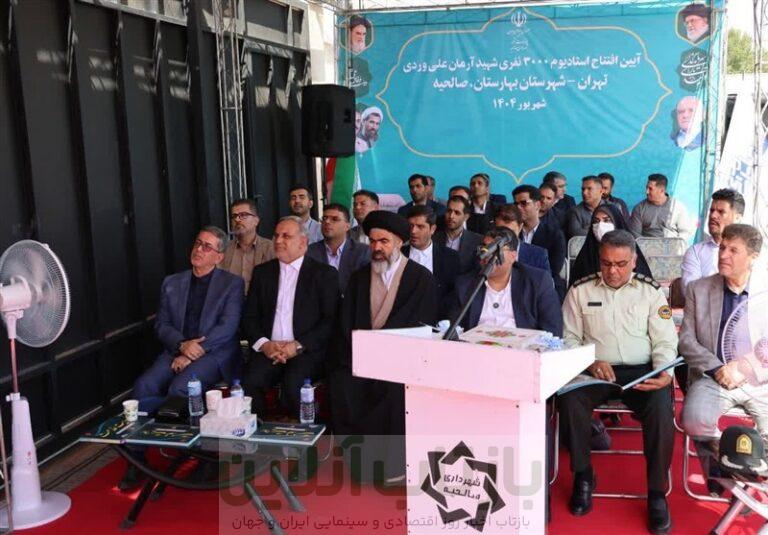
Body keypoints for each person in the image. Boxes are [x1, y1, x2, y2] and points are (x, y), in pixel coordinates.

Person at [559, 230, 677, 533]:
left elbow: (665, 341)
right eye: (606, 263)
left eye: (621, 264)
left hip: (642, 371)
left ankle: (657, 492)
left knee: (662, 407)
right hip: (594, 370)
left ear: (634, 261)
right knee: (569, 400)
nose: (612, 271)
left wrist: (663, 372)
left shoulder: (650, 292)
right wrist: (589, 361)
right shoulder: (580, 290)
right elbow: (567, 339)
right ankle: (583, 475)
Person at [122, 227, 245, 489]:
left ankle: (205, 454)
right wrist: (181, 345)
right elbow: (162, 325)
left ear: (219, 256)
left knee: (182, 388)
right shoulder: (172, 282)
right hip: (176, 350)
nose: (199, 249)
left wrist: (192, 353)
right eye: (198, 243)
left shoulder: (232, 283)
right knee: (143, 386)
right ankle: (137, 459)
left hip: (215, 352)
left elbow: (227, 328)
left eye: (207, 247)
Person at [328, 210, 438, 485]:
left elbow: (423, 326)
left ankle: (394, 466)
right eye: (373, 241)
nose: (377, 247)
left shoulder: (420, 278)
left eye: (384, 241)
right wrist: (359, 356)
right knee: (341, 383)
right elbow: (345, 324)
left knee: (394, 390)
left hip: (401, 362)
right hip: (360, 358)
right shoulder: (359, 278)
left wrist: (387, 354)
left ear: (400, 242)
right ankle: (361, 465)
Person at [679, 224, 767, 495]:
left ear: (753, 256)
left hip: (760, 380)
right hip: (713, 377)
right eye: (722, 248)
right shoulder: (699, 289)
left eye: (733, 250)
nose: (723, 255)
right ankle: (725, 470)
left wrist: (745, 367)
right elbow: (686, 341)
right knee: (694, 419)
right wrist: (719, 369)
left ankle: (750, 473)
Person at [241, 216, 340, 417]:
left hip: (306, 351)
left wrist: (297, 345)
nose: (278, 241)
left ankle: (308, 433)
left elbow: (331, 320)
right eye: (276, 235)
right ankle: (260, 431)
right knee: (250, 381)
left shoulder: (323, 274)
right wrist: (264, 344)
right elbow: (249, 317)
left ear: (303, 242)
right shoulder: (262, 273)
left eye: (286, 236)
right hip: (269, 349)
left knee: (294, 384)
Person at [450, 227, 562, 335]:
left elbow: (552, 331)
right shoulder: (465, 284)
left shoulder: (537, 281)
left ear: (513, 256)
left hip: (521, 347)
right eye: (485, 248)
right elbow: (454, 331)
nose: (488, 255)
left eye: (495, 250)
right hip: (475, 346)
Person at [570, 204, 652, 285]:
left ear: (617, 222)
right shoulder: (585, 257)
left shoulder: (630, 252)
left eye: (606, 220)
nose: (600, 225)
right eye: (596, 221)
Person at [681, 189, 745, 291]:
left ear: (737, 218)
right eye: (711, 211)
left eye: (721, 212)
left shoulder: (750, 253)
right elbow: (690, 291)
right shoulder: (696, 252)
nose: (713, 216)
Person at [402, 205, 460, 317]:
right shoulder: (398, 254)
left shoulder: (450, 257)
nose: (413, 231)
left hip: (436, 318)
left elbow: (452, 294)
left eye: (420, 226)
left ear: (432, 229)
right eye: (410, 226)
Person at [512, 184, 567, 300]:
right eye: (516, 204)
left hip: (543, 286)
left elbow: (553, 269)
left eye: (523, 203)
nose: (518, 208)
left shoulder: (554, 235)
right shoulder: (511, 233)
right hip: (513, 284)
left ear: (537, 205)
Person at [307, 203, 370, 293]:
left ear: (347, 226)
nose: (327, 222)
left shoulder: (362, 252)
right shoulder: (309, 252)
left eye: (334, 219)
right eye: (324, 218)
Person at [219, 198, 275, 293]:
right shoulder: (224, 249)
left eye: (243, 215)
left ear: (256, 221)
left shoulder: (270, 248)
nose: (237, 219)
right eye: (234, 216)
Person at [629, 174, 694, 241]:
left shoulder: (678, 207)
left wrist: (676, 245)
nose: (647, 192)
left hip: (672, 245)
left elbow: (685, 232)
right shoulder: (639, 209)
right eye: (646, 188)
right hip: (646, 246)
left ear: (662, 190)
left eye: (650, 189)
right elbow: (635, 235)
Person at [493, 203, 550, 272]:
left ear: (520, 227)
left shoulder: (539, 255)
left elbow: (545, 278)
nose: (507, 237)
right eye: (502, 231)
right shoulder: (486, 253)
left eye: (511, 232)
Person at [433, 195, 483, 274]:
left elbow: (476, 270)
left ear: (466, 217)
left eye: (457, 213)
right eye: (449, 211)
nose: (451, 216)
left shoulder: (477, 241)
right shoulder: (433, 238)